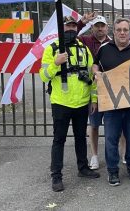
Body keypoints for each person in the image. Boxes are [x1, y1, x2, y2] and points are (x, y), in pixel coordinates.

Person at [41, 15, 100, 192]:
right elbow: (44, 76)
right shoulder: (52, 49)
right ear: (61, 28)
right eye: (68, 27)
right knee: (59, 139)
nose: (72, 30)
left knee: (81, 137)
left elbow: (92, 76)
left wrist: (94, 98)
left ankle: (82, 168)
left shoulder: (83, 49)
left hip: (82, 102)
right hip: (61, 102)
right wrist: (55, 64)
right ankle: (56, 176)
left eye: (74, 27)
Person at [93, 17, 130, 186]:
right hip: (111, 104)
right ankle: (113, 171)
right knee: (111, 139)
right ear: (113, 32)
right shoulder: (104, 49)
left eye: (125, 30)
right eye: (119, 30)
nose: (122, 33)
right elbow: (95, 65)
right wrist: (96, 73)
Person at [77, 13, 111, 170]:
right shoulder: (85, 41)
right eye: (96, 26)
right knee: (94, 125)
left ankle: (121, 154)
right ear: (92, 27)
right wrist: (80, 23)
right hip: (93, 90)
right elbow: (68, 37)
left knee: (116, 126)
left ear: (107, 27)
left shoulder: (112, 42)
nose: (99, 29)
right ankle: (95, 156)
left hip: (111, 91)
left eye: (102, 26)